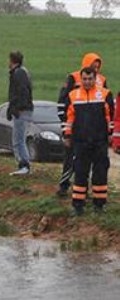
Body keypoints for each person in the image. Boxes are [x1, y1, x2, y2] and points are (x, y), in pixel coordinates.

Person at [63, 67, 114, 216]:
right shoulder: (73, 96)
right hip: (80, 141)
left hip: (99, 141)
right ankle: (78, 205)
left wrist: (110, 135)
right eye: (84, 79)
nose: (87, 82)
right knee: (80, 172)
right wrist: (67, 135)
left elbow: (109, 117)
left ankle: (99, 205)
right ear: (81, 79)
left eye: (90, 79)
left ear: (95, 78)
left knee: (100, 172)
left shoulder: (104, 94)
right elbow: (69, 118)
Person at [56, 53, 108, 197]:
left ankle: (90, 191)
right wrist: (65, 126)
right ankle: (64, 185)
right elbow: (63, 103)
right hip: (75, 128)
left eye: (97, 67)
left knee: (96, 165)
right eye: (93, 66)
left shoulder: (102, 81)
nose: (95, 69)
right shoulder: (73, 78)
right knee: (71, 159)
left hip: (95, 132)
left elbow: (108, 108)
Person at [7, 51, 34, 176]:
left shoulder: (19, 73)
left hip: (22, 111)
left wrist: (17, 108)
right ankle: (23, 164)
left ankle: (24, 165)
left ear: (13, 61)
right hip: (23, 109)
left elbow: (22, 92)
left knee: (19, 139)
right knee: (18, 138)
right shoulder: (22, 72)